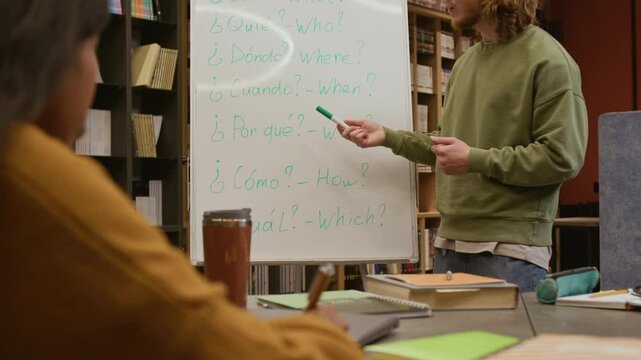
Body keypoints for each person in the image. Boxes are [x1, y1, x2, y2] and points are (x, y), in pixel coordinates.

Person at [0, 1, 363, 358]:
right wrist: (324, 336)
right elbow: (207, 337)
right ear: (49, 56)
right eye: (94, 48)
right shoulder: (41, 181)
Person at [340, 0, 587, 292]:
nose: (445, 1)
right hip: (448, 247)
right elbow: (448, 148)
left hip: (510, 252)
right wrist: (388, 137)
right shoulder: (464, 64)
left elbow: (562, 157)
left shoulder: (550, 60)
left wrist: (474, 159)